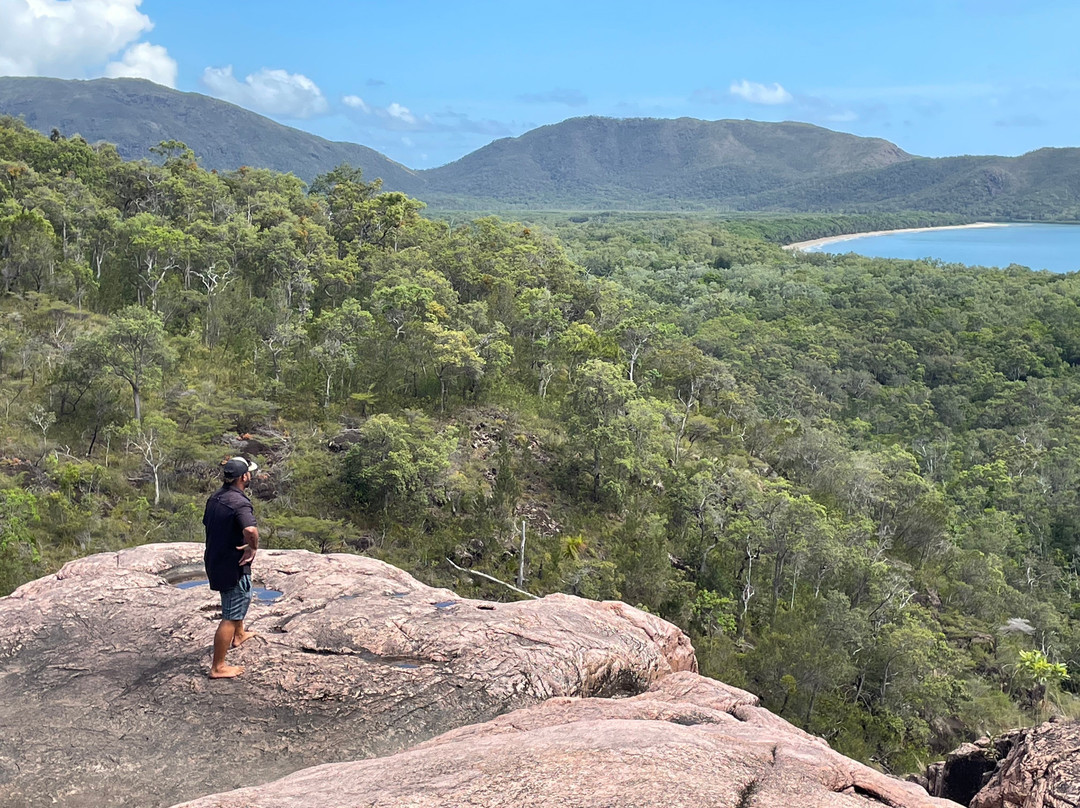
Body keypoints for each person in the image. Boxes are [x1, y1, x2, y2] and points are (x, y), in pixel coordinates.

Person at [203, 456, 260, 679]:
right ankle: (218, 666)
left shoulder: (215, 498)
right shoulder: (240, 502)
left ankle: (239, 634)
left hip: (216, 558)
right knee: (231, 612)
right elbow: (251, 531)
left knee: (238, 598)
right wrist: (252, 548)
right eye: (249, 473)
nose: (251, 476)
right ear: (243, 477)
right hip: (232, 563)